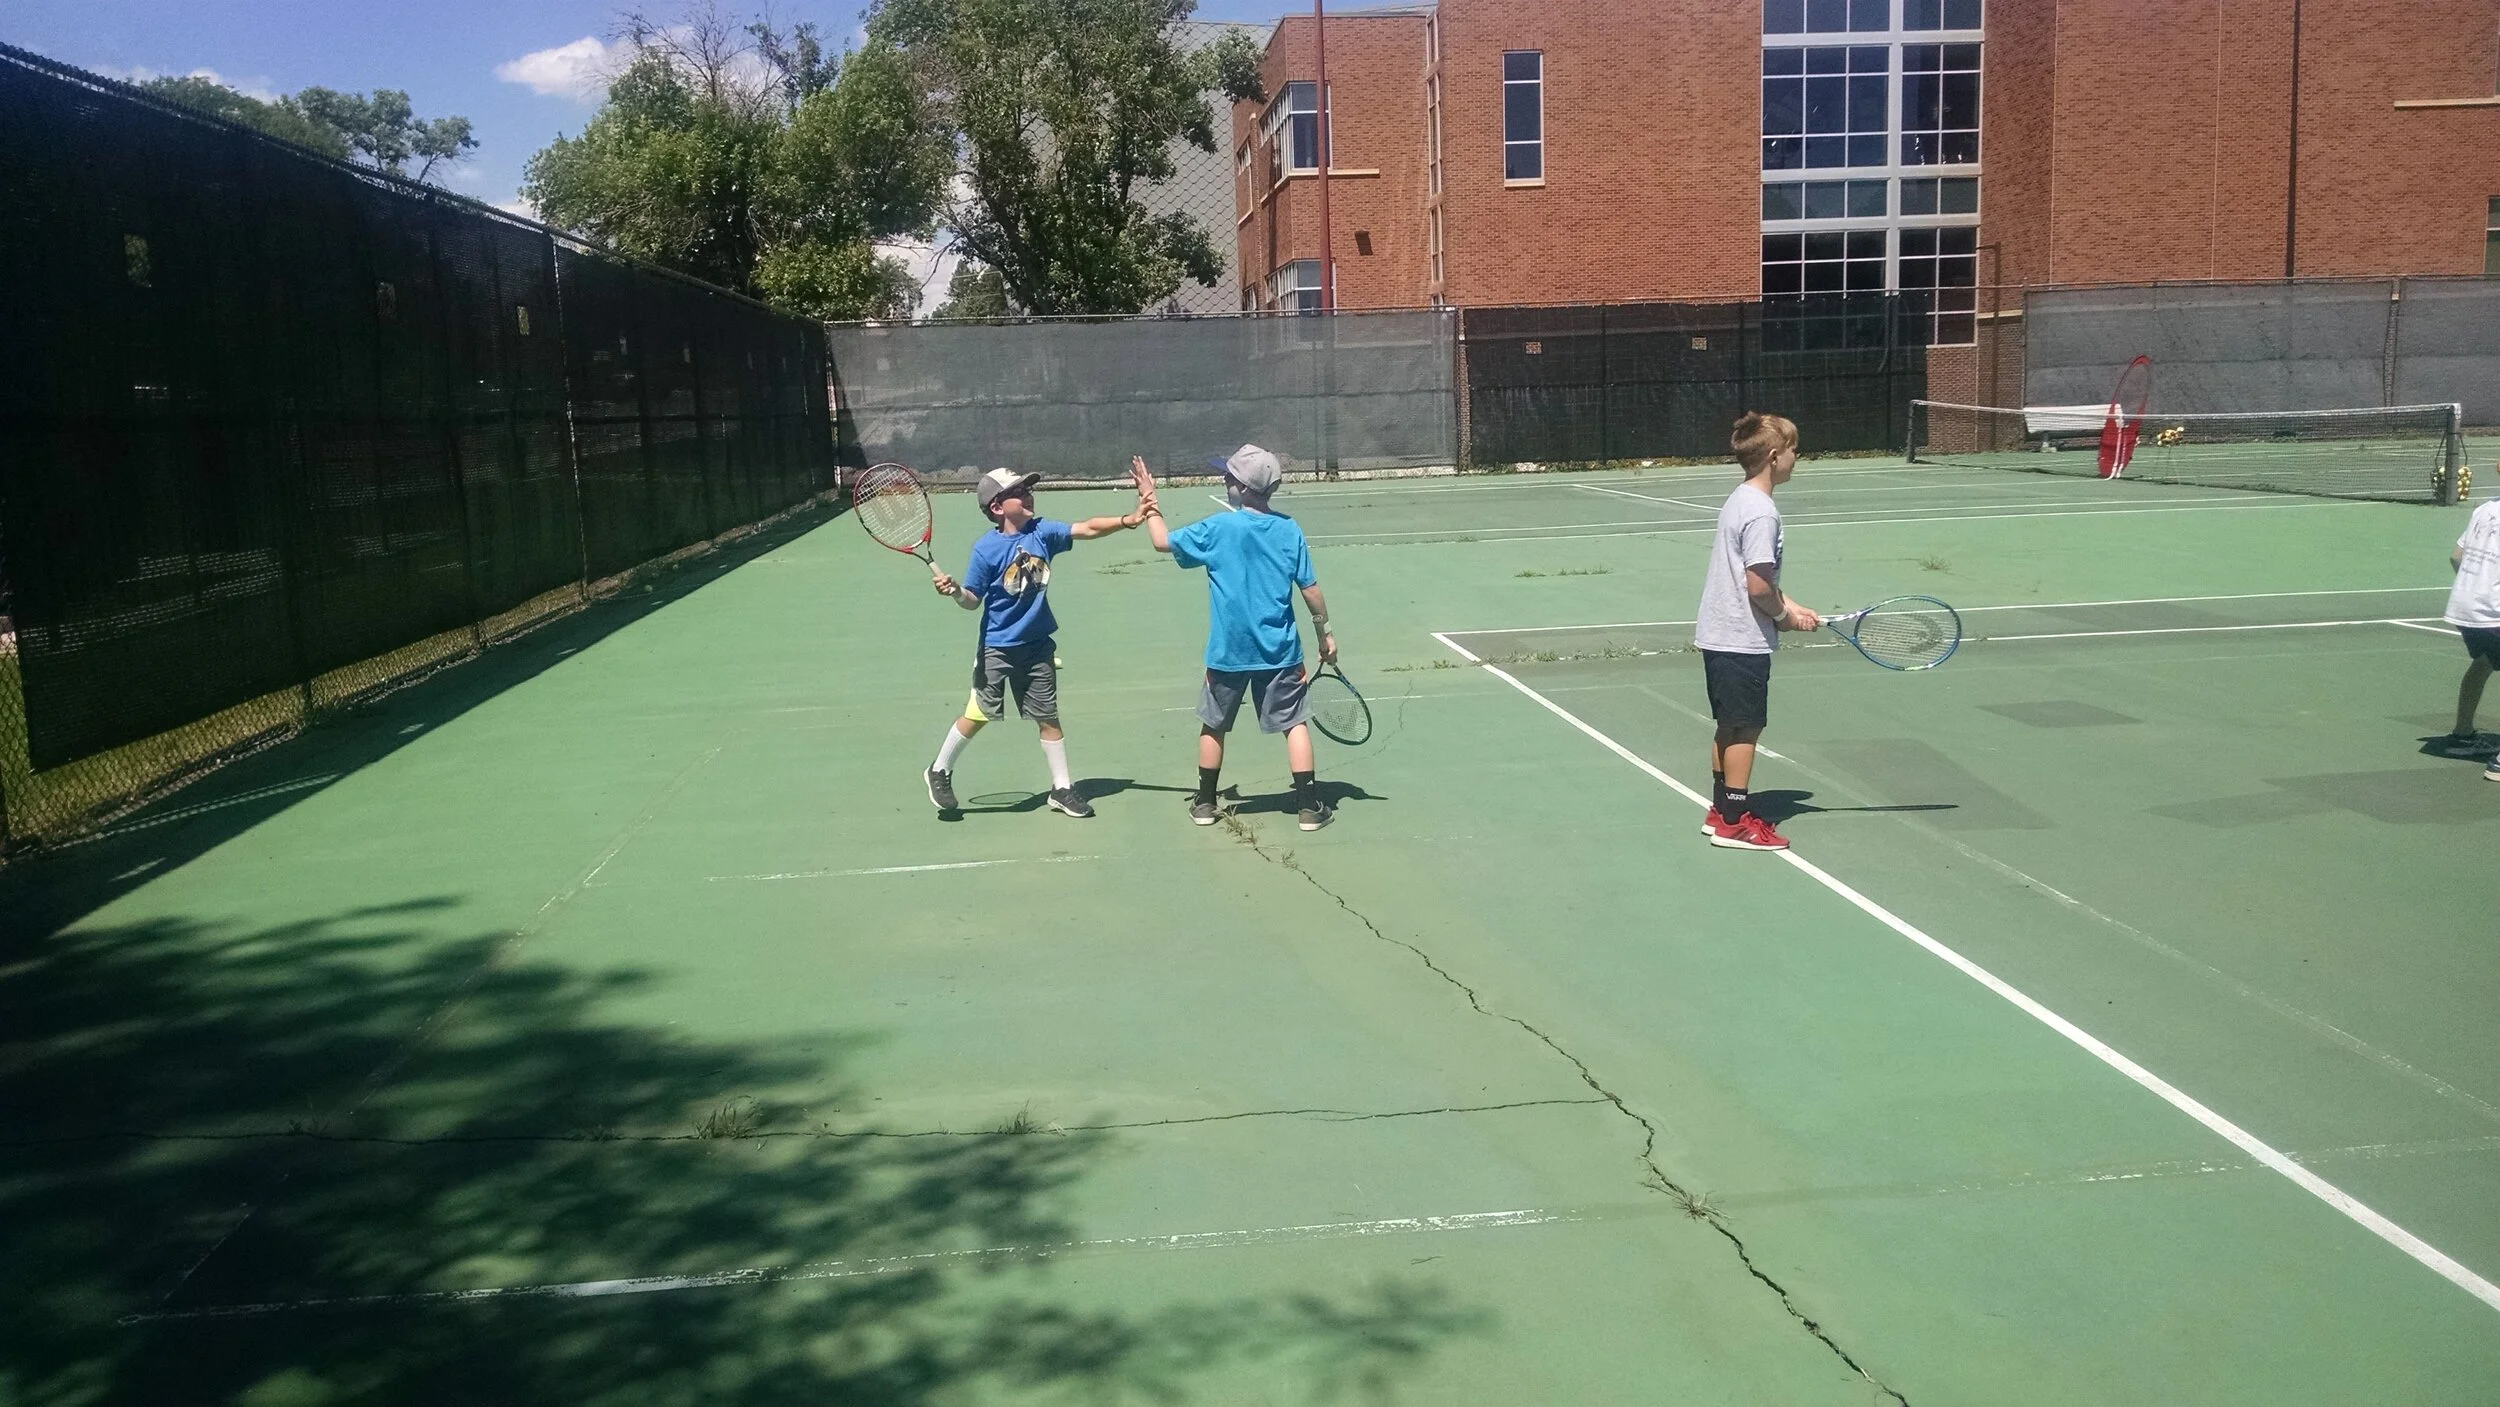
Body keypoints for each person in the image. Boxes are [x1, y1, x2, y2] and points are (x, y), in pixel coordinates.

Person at [925, 464, 1156, 817]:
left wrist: (1129, 520)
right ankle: (939, 769)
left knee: (1048, 716)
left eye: (1028, 489)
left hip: (1037, 646)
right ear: (997, 507)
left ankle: (1061, 790)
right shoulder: (986, 550)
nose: (1028, 495)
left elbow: (1087, 528)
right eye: (1018, 492)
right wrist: (956, 591)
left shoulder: (1042, 532)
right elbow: (972, 601)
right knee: (979, 713)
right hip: (998, 647)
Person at [1138, 446, 1338, 831]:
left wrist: (1150, 501)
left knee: (1213, 724)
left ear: (1243, 488)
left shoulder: (1217, 529)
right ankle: (1309, 807)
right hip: (1280, 652)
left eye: (1229, 477)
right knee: (1295, 723)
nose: (1224, 481)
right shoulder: (1289, 530)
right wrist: (1324, 634)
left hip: (1227, 652)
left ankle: (1205, 804)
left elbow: (1161, 541)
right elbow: (1310, 590)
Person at [1694, 412, 1819, 850]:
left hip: (1718, 634)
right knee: (1746, 730)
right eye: (1793, 450)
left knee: (1728, 726)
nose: (1796, 457)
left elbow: (1758, 576)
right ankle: (1734, 822)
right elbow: (1758, 586)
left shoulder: (1740, 498)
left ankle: (1720, 811)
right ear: (1774, 456)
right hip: (1741, 638)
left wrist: (1792, 605)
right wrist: (1784, 617)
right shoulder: (1763, 513)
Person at [2441, 490, 2500, 781]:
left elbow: (2456, 557)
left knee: (2484, 662)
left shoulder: (2484, 509)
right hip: (2493, 611)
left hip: (2466, 606)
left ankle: (2462, 734)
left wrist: (2477, 588)